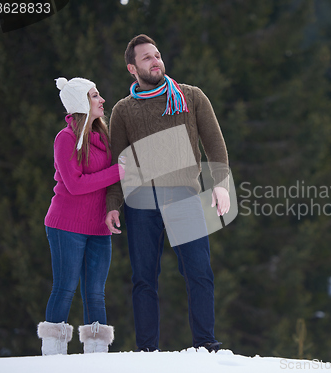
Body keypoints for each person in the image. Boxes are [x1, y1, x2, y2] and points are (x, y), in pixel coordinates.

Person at [105, 34, 230, 353]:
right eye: (146, 57)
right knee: (144, 278)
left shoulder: (190, 96)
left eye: (157, 54)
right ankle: (146, 349)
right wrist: (113, 204)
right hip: (140, 203)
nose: (155, 60)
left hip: (184, 197)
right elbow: (117, 163)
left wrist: (220, 183)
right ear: (132, 68)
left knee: (199, 271)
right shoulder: (122, 111)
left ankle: (206, 342)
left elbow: (214, 143)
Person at [37, 77, 124, 355]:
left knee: (95, 293)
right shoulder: (66, 138)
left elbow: (107, 182)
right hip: (66, 225)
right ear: (81, 103)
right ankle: (53, 356)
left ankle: (96, 360)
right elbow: (74, 185)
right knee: (65, 288)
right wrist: (120, 169)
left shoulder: (104, 138)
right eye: (95, 96)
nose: (102, 100)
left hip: (99, 226)